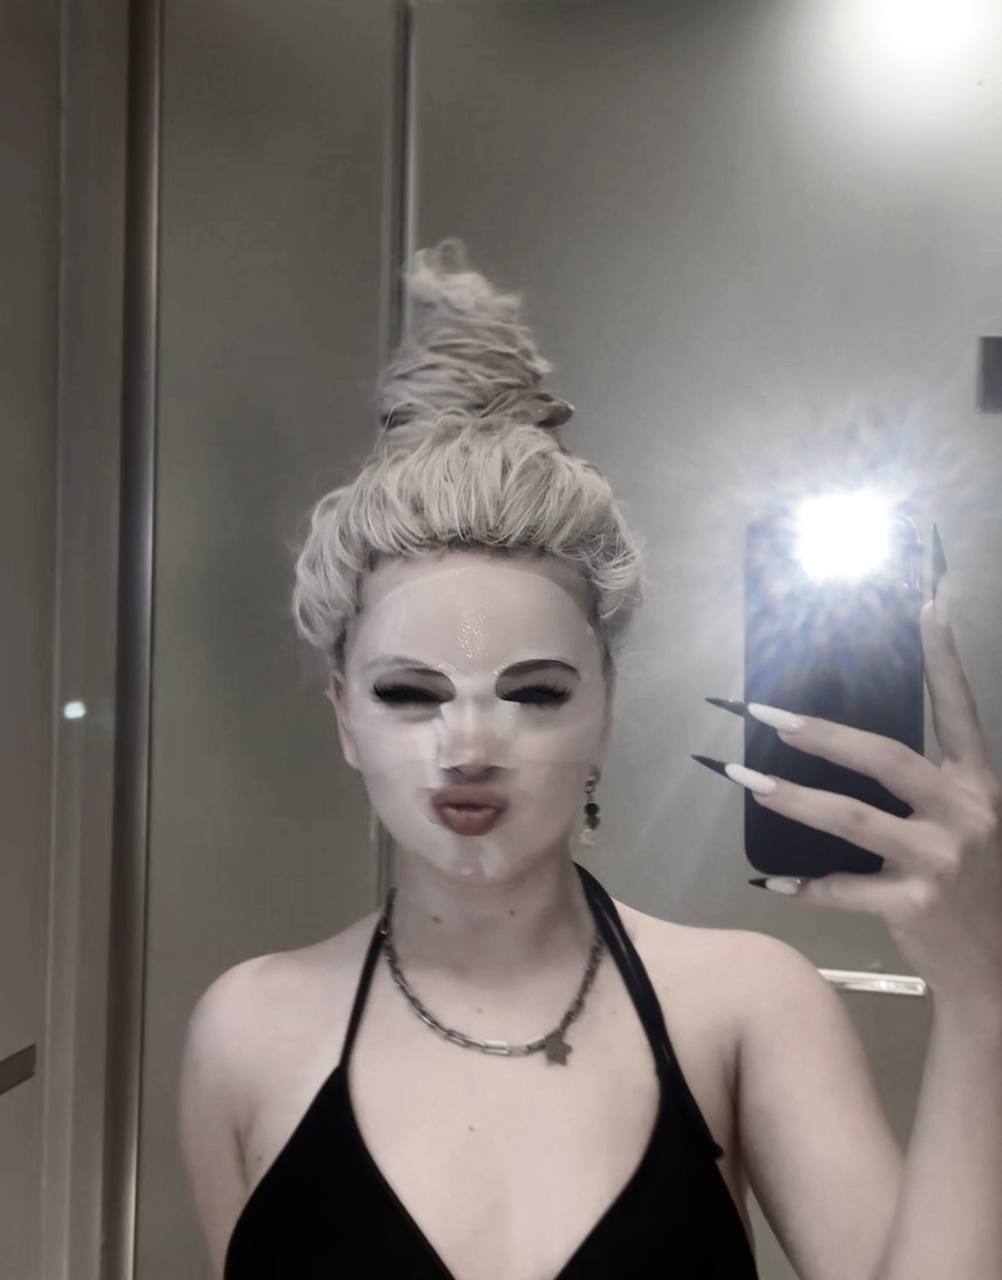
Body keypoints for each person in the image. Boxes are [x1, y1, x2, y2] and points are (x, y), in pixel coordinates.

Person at [179, 240, 1002, 1280]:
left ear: (605, 708)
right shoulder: (245, 1032)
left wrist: (984, 999)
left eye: (533, 693)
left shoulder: (747, 1004)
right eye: (409, 693)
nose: (468, 747)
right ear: (347, 717)